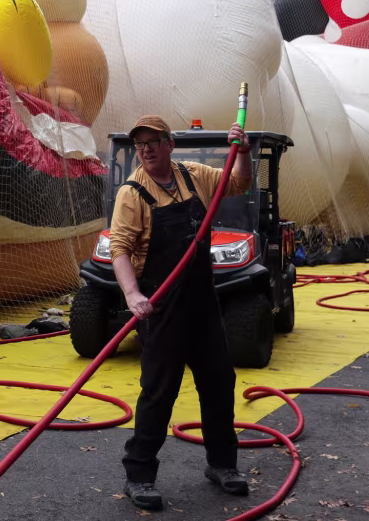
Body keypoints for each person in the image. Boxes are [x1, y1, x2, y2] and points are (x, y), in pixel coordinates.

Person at [107, 114, 253, 511]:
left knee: (219, 384)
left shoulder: (193, 176)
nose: (146, 149)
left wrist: (243, 151)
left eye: (153, 141)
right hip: (162, 304)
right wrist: (133, 294)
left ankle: (223, 465)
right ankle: (139, 475)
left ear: (170, 144)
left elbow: (239, 182)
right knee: (158, 393)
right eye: (140, 144)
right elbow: (119, 248)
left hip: (203, 302)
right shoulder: (132, 192)